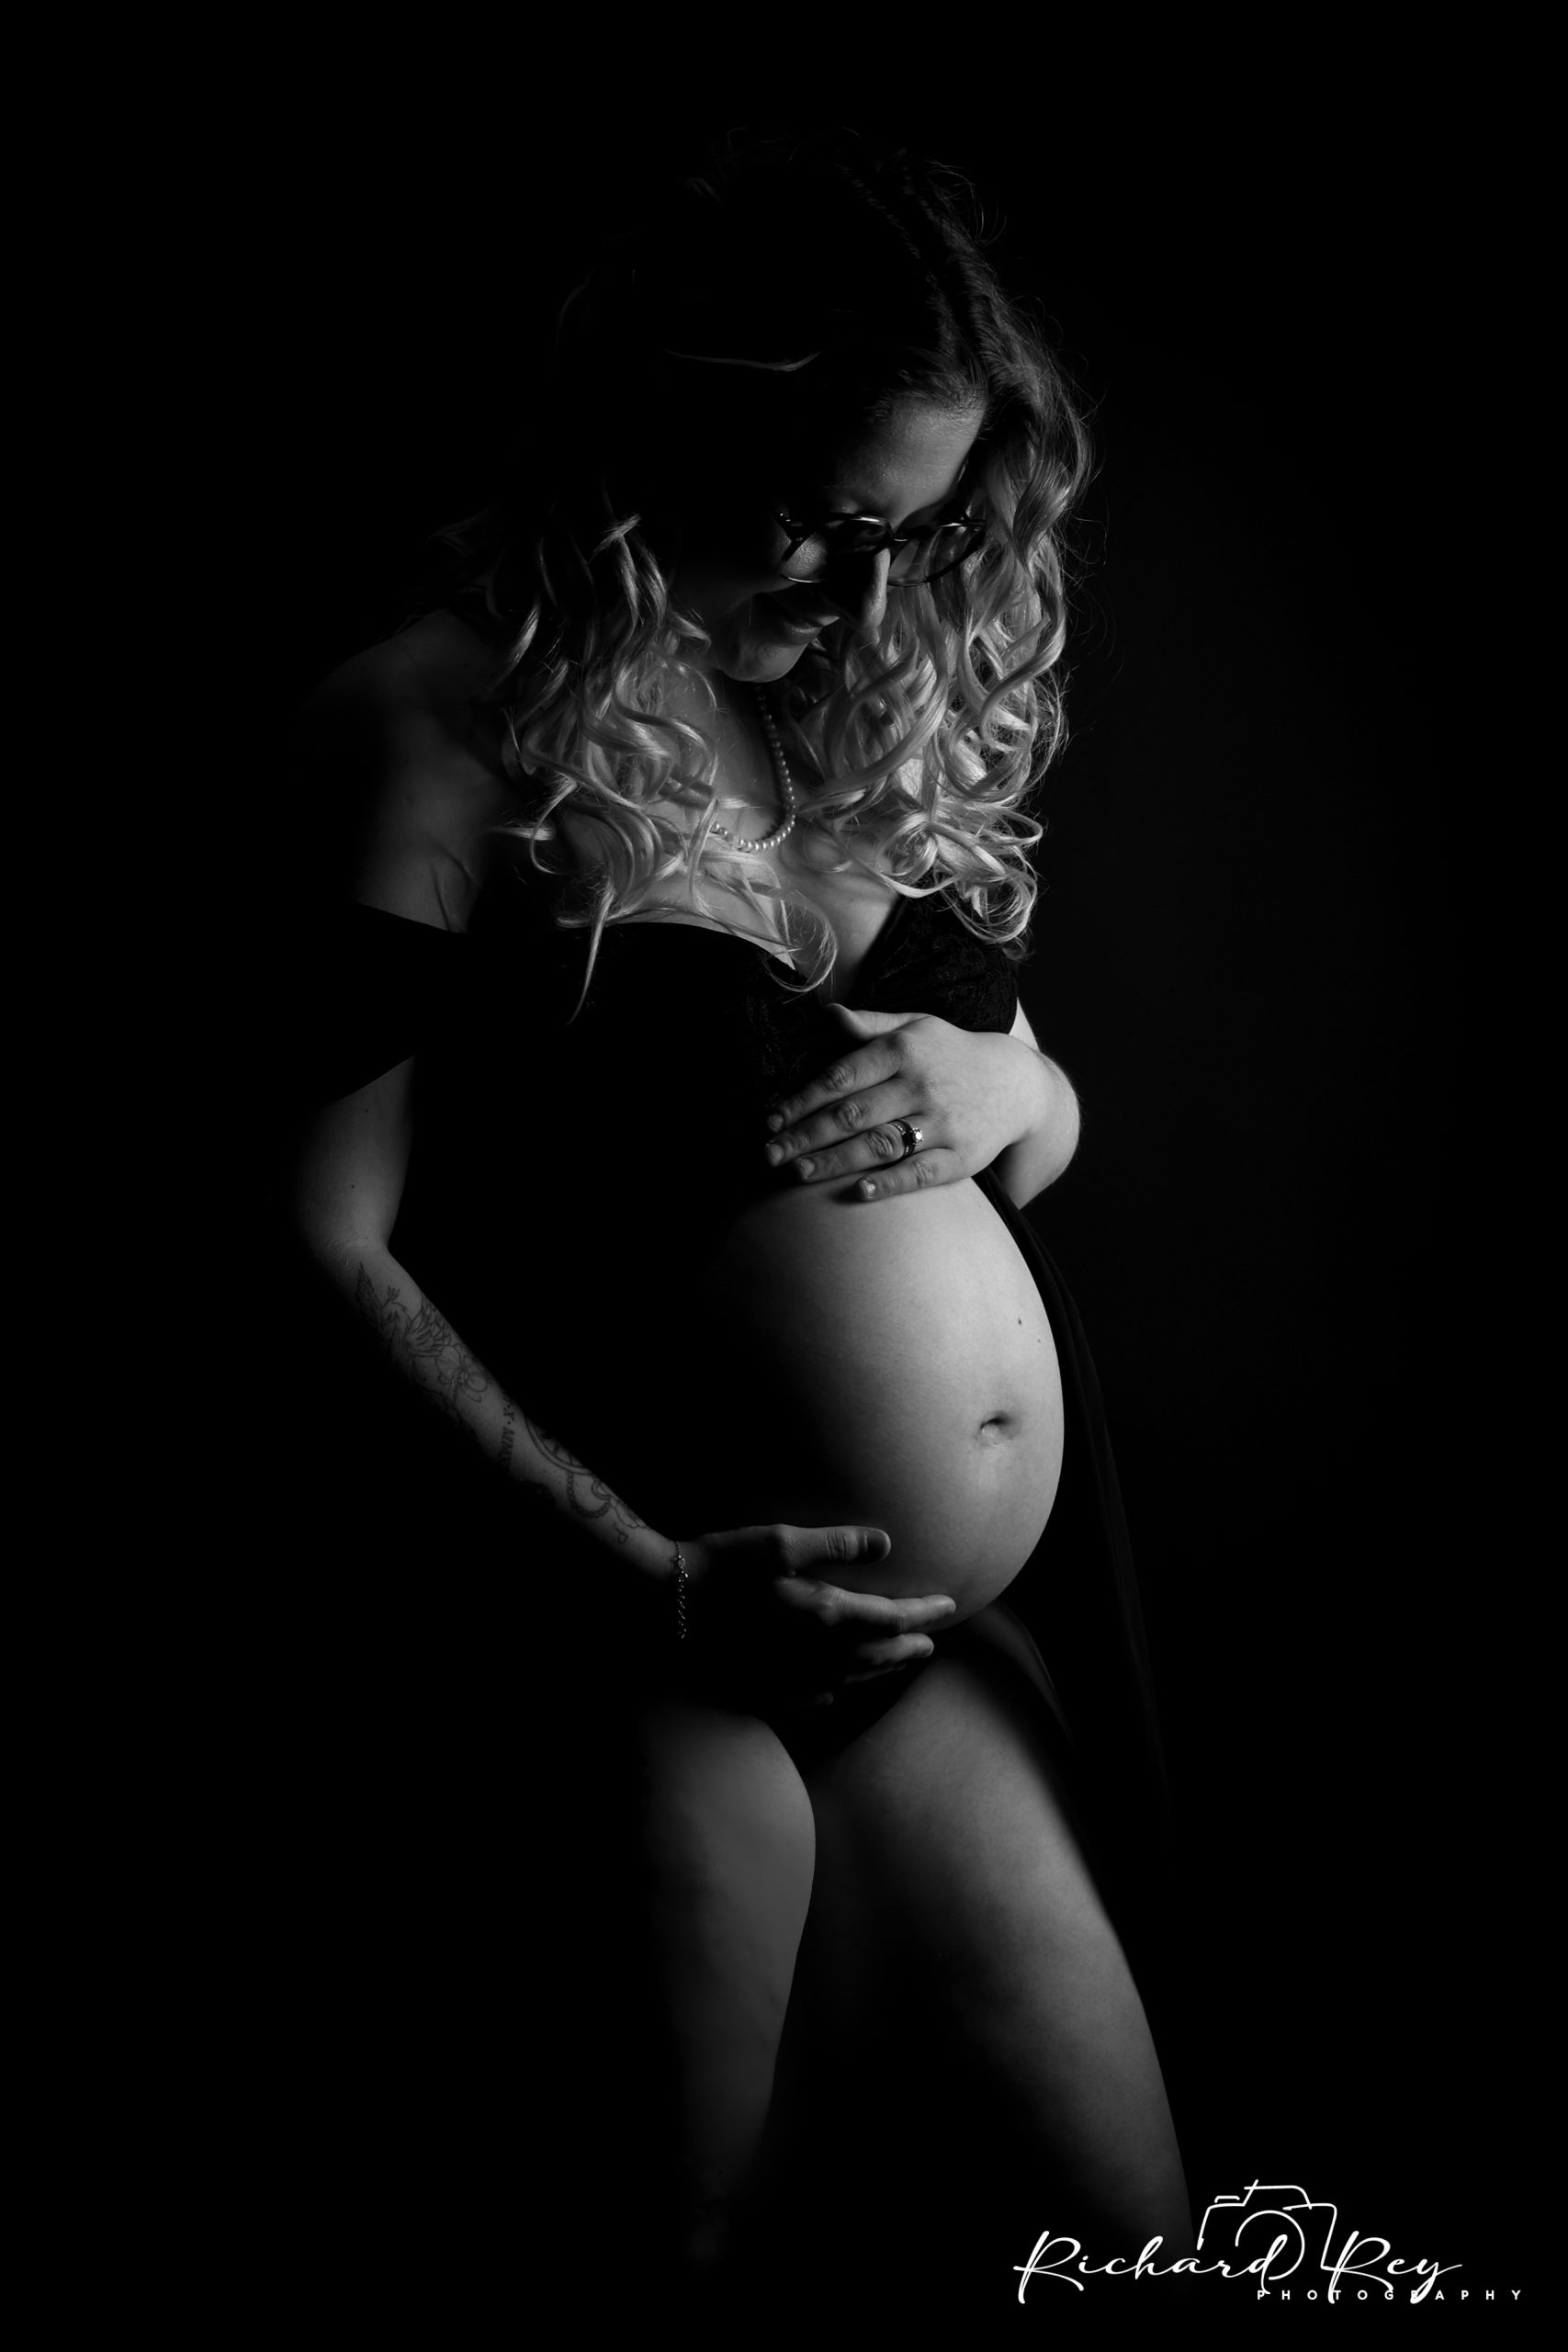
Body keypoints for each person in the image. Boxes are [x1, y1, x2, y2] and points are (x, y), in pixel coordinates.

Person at [277, 127, 1191, 2317]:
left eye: (912, 532)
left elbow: (1021, 1127)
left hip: (913, 1649)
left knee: (1127, 2243)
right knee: (662, 2252)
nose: (866, 592)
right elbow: (305, 1239)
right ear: (667, 415)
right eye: (816, 514)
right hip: (634, 1622)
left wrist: (1024, 1086)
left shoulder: (851, 720)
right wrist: (652, 1577)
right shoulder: (438, 722)